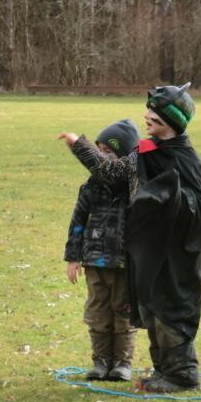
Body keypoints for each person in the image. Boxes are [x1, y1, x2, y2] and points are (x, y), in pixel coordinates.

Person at [59, 83, 201, 393]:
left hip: (175, 250)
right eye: (148, 112)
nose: (147, 118)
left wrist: (167, 197)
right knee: (152, 303)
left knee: (171, 305)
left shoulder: (185, 158)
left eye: (154, 115)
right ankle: (163, 370)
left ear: (171, 121)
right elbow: (111, 174)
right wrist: (80, 147)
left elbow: (195, 206)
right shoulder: (146, 151)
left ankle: (182, 374)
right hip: (150, 247)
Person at [64, 119, 140, 382]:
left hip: (124, 264)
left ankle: (122, 363)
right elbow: (78, 222)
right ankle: (101, 361)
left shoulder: (134, 187)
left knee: (123, 313)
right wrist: (73, 257)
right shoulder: (91, 186)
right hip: (95, 262)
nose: (102, 156)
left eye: (108, 151)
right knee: (98, 312)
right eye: (99, 150)